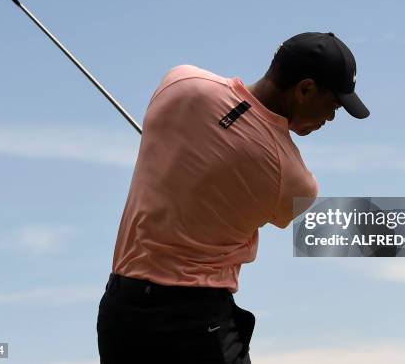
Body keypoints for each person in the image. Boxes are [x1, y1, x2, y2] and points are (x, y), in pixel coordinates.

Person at [96, 32, 370, 363]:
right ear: (305, 89)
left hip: (120, 315)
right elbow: (276, 209)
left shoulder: (180, 82)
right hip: (195, 326)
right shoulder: (295, 179)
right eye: (333, 105)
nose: (331, 118)